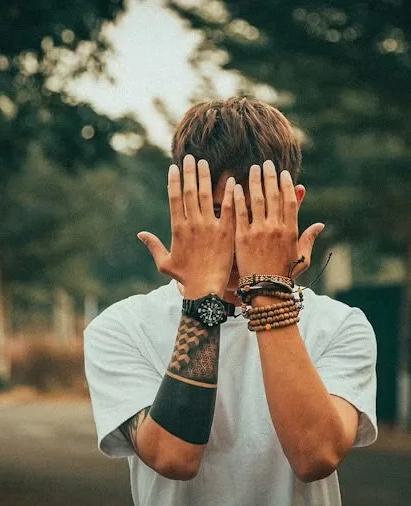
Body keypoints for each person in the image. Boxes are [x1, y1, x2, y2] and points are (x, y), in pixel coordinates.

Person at [84, 97, 377, 506]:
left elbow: (315, 456)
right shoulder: (121, 328)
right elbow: (173, 456)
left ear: (293, 204)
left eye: (256, 213)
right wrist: (203, 292)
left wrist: (268, 291)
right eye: (218, 213)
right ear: (184, 206)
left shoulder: (340, 325)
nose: (240, 239)